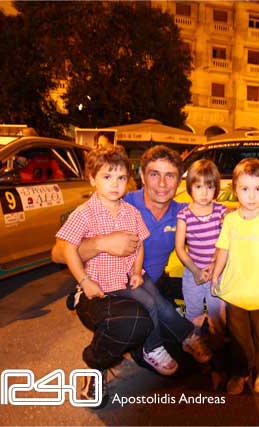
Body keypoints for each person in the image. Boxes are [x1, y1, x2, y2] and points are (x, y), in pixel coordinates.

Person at [51, 145, 210, 379]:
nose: (162, 183)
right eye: (154, 174)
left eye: (170, 176)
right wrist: (102, 244)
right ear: (142, 176)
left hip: (142, 280)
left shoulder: (181, 212)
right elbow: (58, 253)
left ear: (179, 181)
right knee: (135, 323)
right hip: (101, 287)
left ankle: (182, 337)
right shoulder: (111, 202)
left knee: (163, 311)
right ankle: (99, 364)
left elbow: (218, 215)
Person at [55, 145, 153, 406]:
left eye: (121, 177)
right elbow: (66, 249)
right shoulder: (84, 213)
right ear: (92, 179)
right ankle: (95, 364)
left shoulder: (132, 213)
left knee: (147, 316)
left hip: (124, 286)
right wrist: (84, 281)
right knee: (131, 322)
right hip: (96, 292)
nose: (115, 184)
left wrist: (136, 271)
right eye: (107, 177)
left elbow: (139, 244)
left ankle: (130, 347)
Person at [211, 158, 259, 395]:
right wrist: (215, 274)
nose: (252, 195)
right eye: (245, 189)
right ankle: (240, 371)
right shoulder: (230, 220)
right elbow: (223, 249)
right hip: (235, 291)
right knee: (238, 337)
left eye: (258, 189)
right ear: (235, 190)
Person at [175, 159, 228, 339]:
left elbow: (226, 243)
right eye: (198, 187)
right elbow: (180, 248)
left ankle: (218, 343)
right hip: (193, 273)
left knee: (218, 313)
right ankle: (194, 341)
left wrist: (215, 265)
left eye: (210, 187)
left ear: (216, 188)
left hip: (218, 272)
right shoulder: (184, 215)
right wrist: (196, 271)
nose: (204, 193)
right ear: (190, 187)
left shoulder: (221, 212)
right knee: (193, 312)